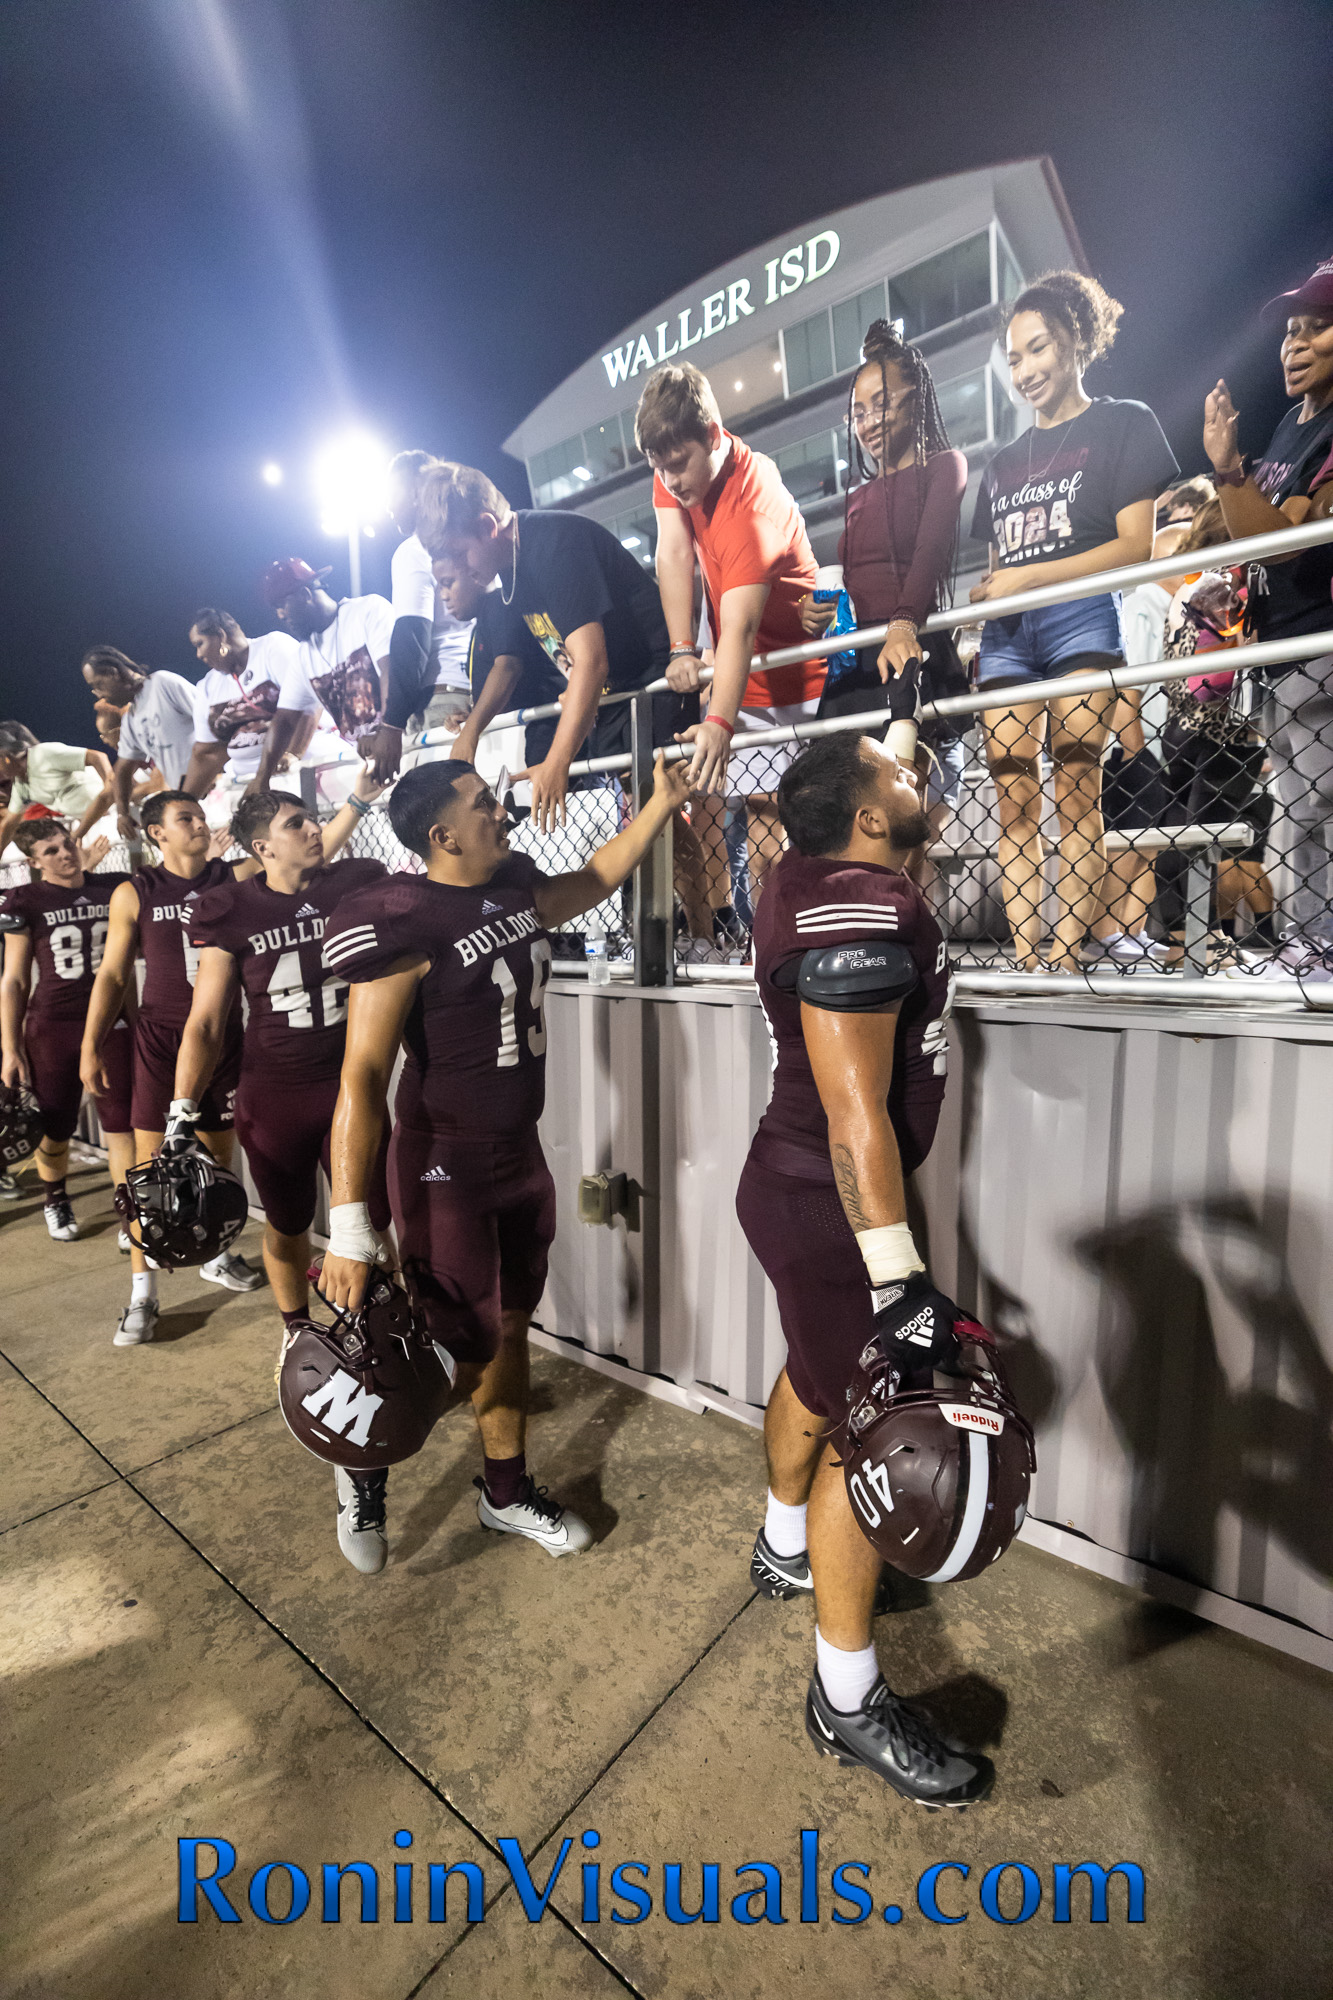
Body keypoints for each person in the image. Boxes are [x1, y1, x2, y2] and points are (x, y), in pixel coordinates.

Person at [317, 749, 692, 1573]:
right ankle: (361, 1455)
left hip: (518, 1150)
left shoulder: (512, 884)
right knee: (454, 1345)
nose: (500, 809)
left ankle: (503, 1489)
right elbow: (364, 1075)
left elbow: (590, 881)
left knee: (511, 1324)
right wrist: (349, 1227)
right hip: (443, 1158)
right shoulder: (402, 917)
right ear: (441, 834)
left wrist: (659, 806)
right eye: (483, 802)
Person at [733, 731, 991, 1805]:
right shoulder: (854, 903)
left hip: (801, 1198)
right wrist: (895, 1276)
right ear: (865, 819)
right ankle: (844, 1698)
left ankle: (782, 1540)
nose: (917, 773)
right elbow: (853, 1115)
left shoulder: (818, 870)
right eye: (897, 775)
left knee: (815, 1364)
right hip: (831, 1205)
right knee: (864, 1425)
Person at [971, 271, 1179, 970]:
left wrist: (1028, 576)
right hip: (1006, 632)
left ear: (1076, 341)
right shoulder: (998, 464)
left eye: (1037, 350)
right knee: (1012, 794)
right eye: (1014, 359)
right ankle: (1025, 951)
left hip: (1081, 617)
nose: (1025, 370)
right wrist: (994, 588)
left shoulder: (1123, 421)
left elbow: (1134, 548)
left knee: (1074, 784)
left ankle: (1066, 951)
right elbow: (1000, 562)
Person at [172, 770, 387, 1335]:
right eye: (296, 824)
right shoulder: (228, 908)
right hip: (275, 1095)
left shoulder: (357, 882)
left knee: (371, 1219)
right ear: (262, 847)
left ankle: (373, 1333)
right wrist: (180, 1108)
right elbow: (208, 1020)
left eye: (312, 818)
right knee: (287, 1223)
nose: (314, 829)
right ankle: (296, 1334)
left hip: (352, 1088)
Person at [414, 461, 694, 835]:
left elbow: (591, 661)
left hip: (653, 680)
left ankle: (714, 897)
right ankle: (691, 896)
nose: (460, 570)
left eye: (461, 554)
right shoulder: (509, 571)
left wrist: (557, 761)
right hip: (616, 694)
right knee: (657, 829)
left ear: (487, 526)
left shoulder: (553, 543)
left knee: (669, 821)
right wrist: (474, 724)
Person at [637, 363, 825, 908]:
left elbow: (741, 627)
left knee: (794, 831)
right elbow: (673, 551)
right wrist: (681, 647)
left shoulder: (753, 505)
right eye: (659, 468)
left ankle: (796, 936)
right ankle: (767, 943)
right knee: (760, 833)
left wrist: (717, 720)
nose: (671, 481)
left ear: (715, 437)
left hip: (790, 674)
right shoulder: (675, 458)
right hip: (739, 667)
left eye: (676, 466)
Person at [79, 790, 264, 1343]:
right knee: (149, 1171)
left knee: (218, 1157)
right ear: (156, 832)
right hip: (162, 1039)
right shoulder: (136, 890)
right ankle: (143, 1294)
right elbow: (112, 975)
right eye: (186, 819)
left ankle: (216, 1254)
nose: (200, 825)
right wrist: (91, 1044)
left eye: (203, 816)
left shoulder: (233, 877)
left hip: (223, 1033)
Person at [1202, 255, 1333, 975]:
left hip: (1322, 644)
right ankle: (1307, 946)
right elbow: (1254, 537)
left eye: (1316, 328)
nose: (1293, 344)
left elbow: (1286, 539)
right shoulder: (1289, 423)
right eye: (1289, 331)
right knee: (1292, 812)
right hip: (1280, 651)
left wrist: (1226, 470)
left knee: (1319, 807)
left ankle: (1321, 948)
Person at [0, 817, 133, 1246]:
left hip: (111, 1020)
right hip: (53, 1024)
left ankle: (127, 1211)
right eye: (52, 851)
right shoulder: (26, 901)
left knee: (120, 1123)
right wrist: (10, 1047)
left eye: (67, 844)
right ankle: (54, 1196)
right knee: (55, 1124)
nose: (65, 853)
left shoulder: (113, 887)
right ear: (33, 861)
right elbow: (16, 979)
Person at [358, 450, 477, 783]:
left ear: (413, 492)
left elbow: (412, 640)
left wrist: (391, 725)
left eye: (390, 495)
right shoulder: (466, 540)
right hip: (474, 693)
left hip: (440, 699)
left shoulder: (413, 549)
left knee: (438, 817)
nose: (387, 507)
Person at [249, 558, 395, 790]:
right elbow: (285, 719)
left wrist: (388, 729)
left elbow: (393, 672)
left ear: (305, 594)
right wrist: (262, 778)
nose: (279, 615)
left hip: (402, 743)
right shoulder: (303, 656)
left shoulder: (367, 611)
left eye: (282, 605)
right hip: (367, 766)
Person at [182, 608, 324, 805]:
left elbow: (309, 702)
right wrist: (185, 804)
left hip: (303, 768)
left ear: (221, 636)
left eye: (200, 644)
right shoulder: (207, 686)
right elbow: (207, 753)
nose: (199, 654)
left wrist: (292, 754)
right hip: (247, 783)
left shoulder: (273, 647)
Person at [80, 647, 200, 839]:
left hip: (213, 790)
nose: (97, 693)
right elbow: (123, 770)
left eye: (98, 685)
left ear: (113, 673)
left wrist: (212, 770)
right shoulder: (131, 719)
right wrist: (123, 813)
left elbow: (211, 722)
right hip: (187, 800)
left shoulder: (162, 683)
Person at [0, 725, 114, 854]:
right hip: (88, 826)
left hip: (110, 817)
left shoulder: (42, 753)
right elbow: (10, 823)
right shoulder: (21, 784)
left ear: (5, 757)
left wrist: (110, 791)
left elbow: (98, 757)